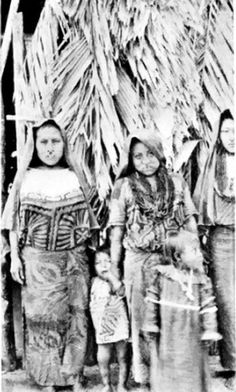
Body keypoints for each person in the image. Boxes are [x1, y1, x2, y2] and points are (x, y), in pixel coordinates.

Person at [1, 119, 99, 392]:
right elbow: (13, 222)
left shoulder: (73, 176)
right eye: (43, 142)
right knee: (43, 319)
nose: (50, 148)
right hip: (38, 261)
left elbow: (90, 222)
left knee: (76, 316)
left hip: (73, 260)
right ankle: (48, 380)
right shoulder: (26, 178)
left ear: (64, 144)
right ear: (35, 146)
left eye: (55, 141)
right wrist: (17, 258)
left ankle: (74, 376)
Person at [108, 129, 199, 386]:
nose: (145, 161)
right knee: (142, 323)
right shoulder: (122, 186)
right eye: (138, 156)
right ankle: (147, 379)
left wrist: (195, 257)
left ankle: (170, 376)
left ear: (160, 153)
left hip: (172, 262)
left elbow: (190, 221)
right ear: (130, 159)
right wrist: (114, 269)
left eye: (150, 154)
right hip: (137, 264)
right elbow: (116, 232)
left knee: (172, 319)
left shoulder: (177, 182)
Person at [142, 230, 221, 392]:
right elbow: (152, 300)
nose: (200, 255)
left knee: (191, 371)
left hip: (191, 336)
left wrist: (210, 329)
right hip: (169, 338)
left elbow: (208, 306)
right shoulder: (162, 277)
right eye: (194, 251)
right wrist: (150, 323)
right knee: (169, 370)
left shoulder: (201, 280)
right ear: (178, 257)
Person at [193, 109, 235, 389]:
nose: (232, 137)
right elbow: (201, 205)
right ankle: (233, 364)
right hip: (222, 238)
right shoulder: (213, 164)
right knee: (228, 301)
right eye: (227, 131)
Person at [90, 245, 129, 392]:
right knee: (103, 357)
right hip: (102, 327)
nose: (103, 265)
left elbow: (121, 290)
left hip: (119, 324)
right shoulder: (93, 282)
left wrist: (111, 276)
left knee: (123, 355)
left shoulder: (116, 280)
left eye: (108, 261)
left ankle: (121, 384)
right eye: (98, 263)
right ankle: (106, 384)